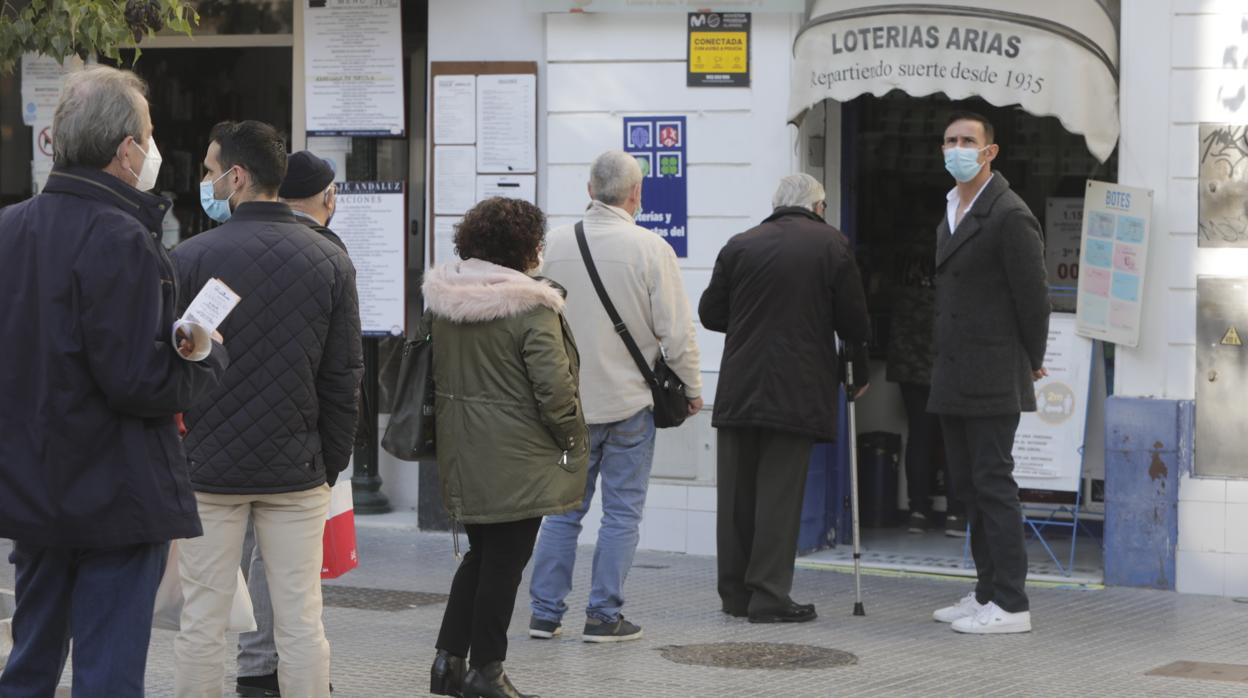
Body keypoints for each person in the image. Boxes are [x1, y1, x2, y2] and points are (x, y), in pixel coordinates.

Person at [0, 66, 228, 697]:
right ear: (126, 150)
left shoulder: (10, 230)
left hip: (33, 491)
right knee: (108, 674)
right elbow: (138, 379)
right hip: (114, 496)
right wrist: (205, 357)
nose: (152, 147)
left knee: (30, 662)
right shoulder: (121, 238)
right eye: (148, 135)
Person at [171, 121, 363, 697]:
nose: (204, 181)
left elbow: (169, 368)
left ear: (238, 176)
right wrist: (328, 463)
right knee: (303, 620)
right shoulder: (330, 262)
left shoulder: (190, 257)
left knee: (202, 621)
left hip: (208, 470)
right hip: (297, 472)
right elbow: (343, 376)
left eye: (209, 171)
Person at [527, 150, 703, 644]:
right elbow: (677, 335)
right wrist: (692, 388)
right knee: (621, 514)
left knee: (563, 513)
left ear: (589, 189)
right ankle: (603, 617)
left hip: (567, 407)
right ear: (636, 195)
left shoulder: (551, 247)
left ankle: (544, 613)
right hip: (629, 406)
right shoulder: (651, 249)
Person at [424, 197, 589, 698]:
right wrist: (574, 439)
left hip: (464, 452)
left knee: (481, 555)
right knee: (503, 563)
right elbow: (555, 391)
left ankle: (448, 663)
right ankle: (485, 672)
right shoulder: (531, 307)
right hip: (519, 459)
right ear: (523, 248)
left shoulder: (446, 299)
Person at [699, 173, 871, 624]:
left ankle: (735, 594)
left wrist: (755, 322)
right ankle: (769, 596)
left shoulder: (740, 244)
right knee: (778, 495)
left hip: (739, 387)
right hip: (795, 388)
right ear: (818, 206)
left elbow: (710, 312)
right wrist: (857, 371)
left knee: (737, 497)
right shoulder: (832, 245)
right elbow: (855, 324)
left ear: (777, 205)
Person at [928, 111, 1049, 635]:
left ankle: (1012, 603)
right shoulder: (953, 208)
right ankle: (985, 592)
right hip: (954, 373)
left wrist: (1033, 356)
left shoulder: (1008, 214)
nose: (957, 148)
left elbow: (1033, 297)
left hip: (993, 370)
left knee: (994, 485)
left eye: (968, 141)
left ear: (989, 151)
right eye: (951, 140)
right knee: (969, 488)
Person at [232, 149, 346, 698]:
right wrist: (337, 455)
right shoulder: (327, 254)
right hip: (297, 445)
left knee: (246, 563)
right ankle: (274, 672)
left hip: (228, 441)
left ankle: (256, 667)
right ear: (327, 196)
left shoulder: (218, 248)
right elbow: (343, 369)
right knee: (295, 585)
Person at [886, 236, 966, 537]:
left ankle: (918, 512)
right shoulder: (953, 278)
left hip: (911, 370)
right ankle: (956, 514)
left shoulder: (905, 278)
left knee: (919, 436)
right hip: (948, 369)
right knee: (952, 440)